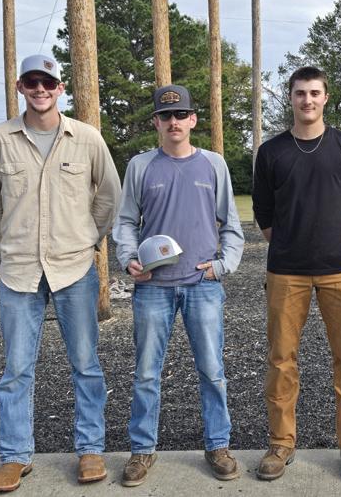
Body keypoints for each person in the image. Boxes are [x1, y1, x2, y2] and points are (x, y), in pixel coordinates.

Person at [0, 54, 121, 493]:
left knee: (86, 365)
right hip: (18, 273)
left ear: (61, 88)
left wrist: (88, 237)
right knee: (16, 370)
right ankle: (15, 457)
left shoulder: (86, 138)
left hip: (74, 269)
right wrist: (7, 242)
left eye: (48, 82)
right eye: (32, 82)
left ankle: (90, 450)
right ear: (20, 87)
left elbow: (109, 196)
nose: (40, 89)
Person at [113, 84, 244, 486]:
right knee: (146, 373)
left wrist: (222, 266)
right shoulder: (140, 166)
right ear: (156, 121)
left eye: (181, 115)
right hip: (154, 286)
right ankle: (142, 450)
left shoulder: (213, 164)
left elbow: (231, 224)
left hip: (202, 284)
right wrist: (129, 259)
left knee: (212, 370)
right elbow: (125, 222)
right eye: (165, 115)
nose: (174, 122)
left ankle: (218, 445)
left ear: (193, 120)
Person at [252, 66, 341, 482]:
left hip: (339, 272)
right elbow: (263, 211)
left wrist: (340, 241)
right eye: (300, 93)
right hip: (286, 273)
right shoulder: (272, 152)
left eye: (314, 93)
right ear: (290, 98)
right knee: (281, 359)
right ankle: (281, 443)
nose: (307, 100)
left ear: (326, 97)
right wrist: (288, 244)